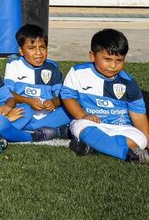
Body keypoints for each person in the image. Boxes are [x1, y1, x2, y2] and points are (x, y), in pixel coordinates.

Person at [0, 26, 64, 143]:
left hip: (3, 116)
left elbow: (9, 97)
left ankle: (7, 131)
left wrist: (7, 108)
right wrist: (6, 116)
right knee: (1, 121)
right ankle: (32, 136)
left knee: (25, 109)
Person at [61, 29, 148, 163]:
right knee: (80, 126)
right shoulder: (77, 73)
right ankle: (128, 154)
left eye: (119, 60)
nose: (113, 65)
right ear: (92, 55)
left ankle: (91, 146)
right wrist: (83, 116)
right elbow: (68, 97)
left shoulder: (129, 83)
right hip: (91, 124)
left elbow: (139, 116)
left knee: (140, 140)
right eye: (107, 59)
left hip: (122, 128)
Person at [3, 24, 71, 134]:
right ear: (21, 50)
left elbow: (62, 96)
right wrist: (28, 101)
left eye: (42, 47)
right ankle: (50, 130)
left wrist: (53, 102)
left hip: (47, 115)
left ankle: (31, 129)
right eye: (31, 48)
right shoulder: (14, 65)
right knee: (24, 109)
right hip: (24, 112)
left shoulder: (52, 67)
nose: (38, 53)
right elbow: (7, 93)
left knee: (69, 110)